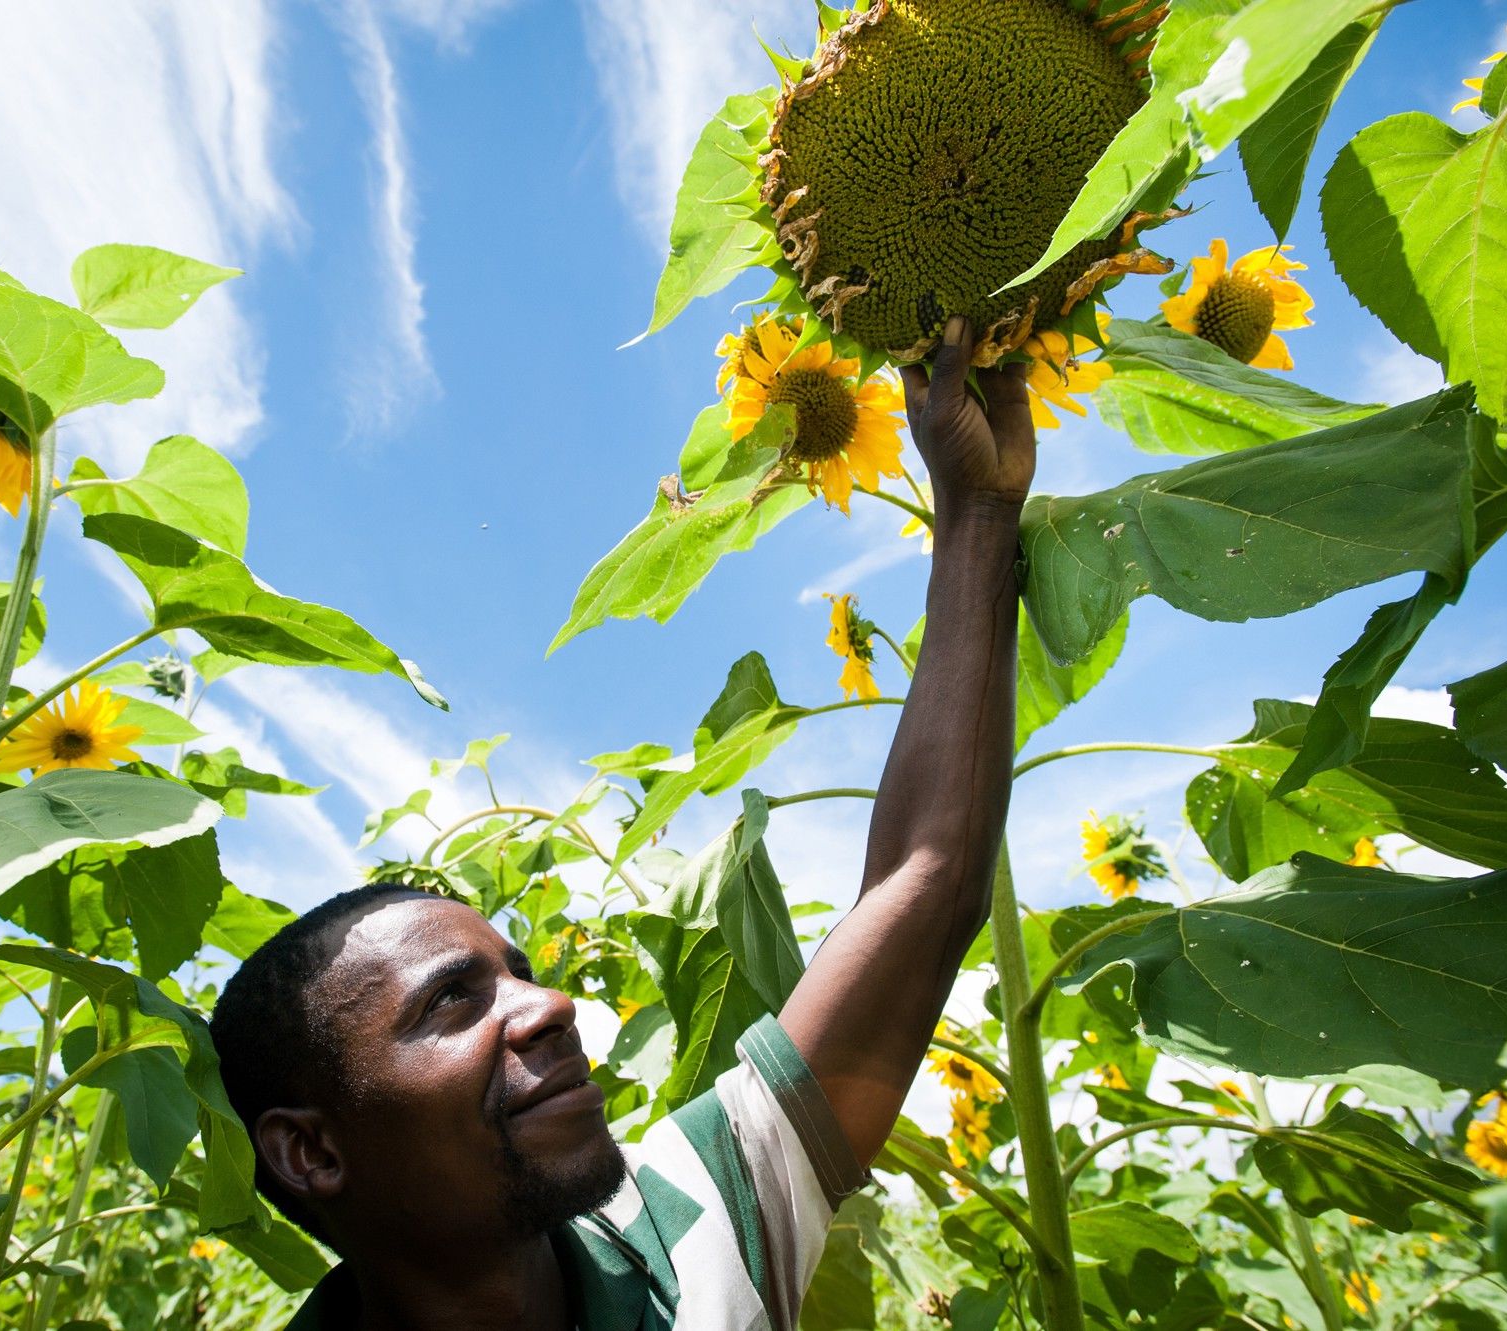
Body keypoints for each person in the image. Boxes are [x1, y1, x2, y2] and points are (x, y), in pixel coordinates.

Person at [210, 315, 1036, 1329]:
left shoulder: (694, 1224)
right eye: (451, 1003)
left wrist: (978, 509)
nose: (549, 1005)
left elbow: (926, 878)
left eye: (517, 969)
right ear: (314, 1151)